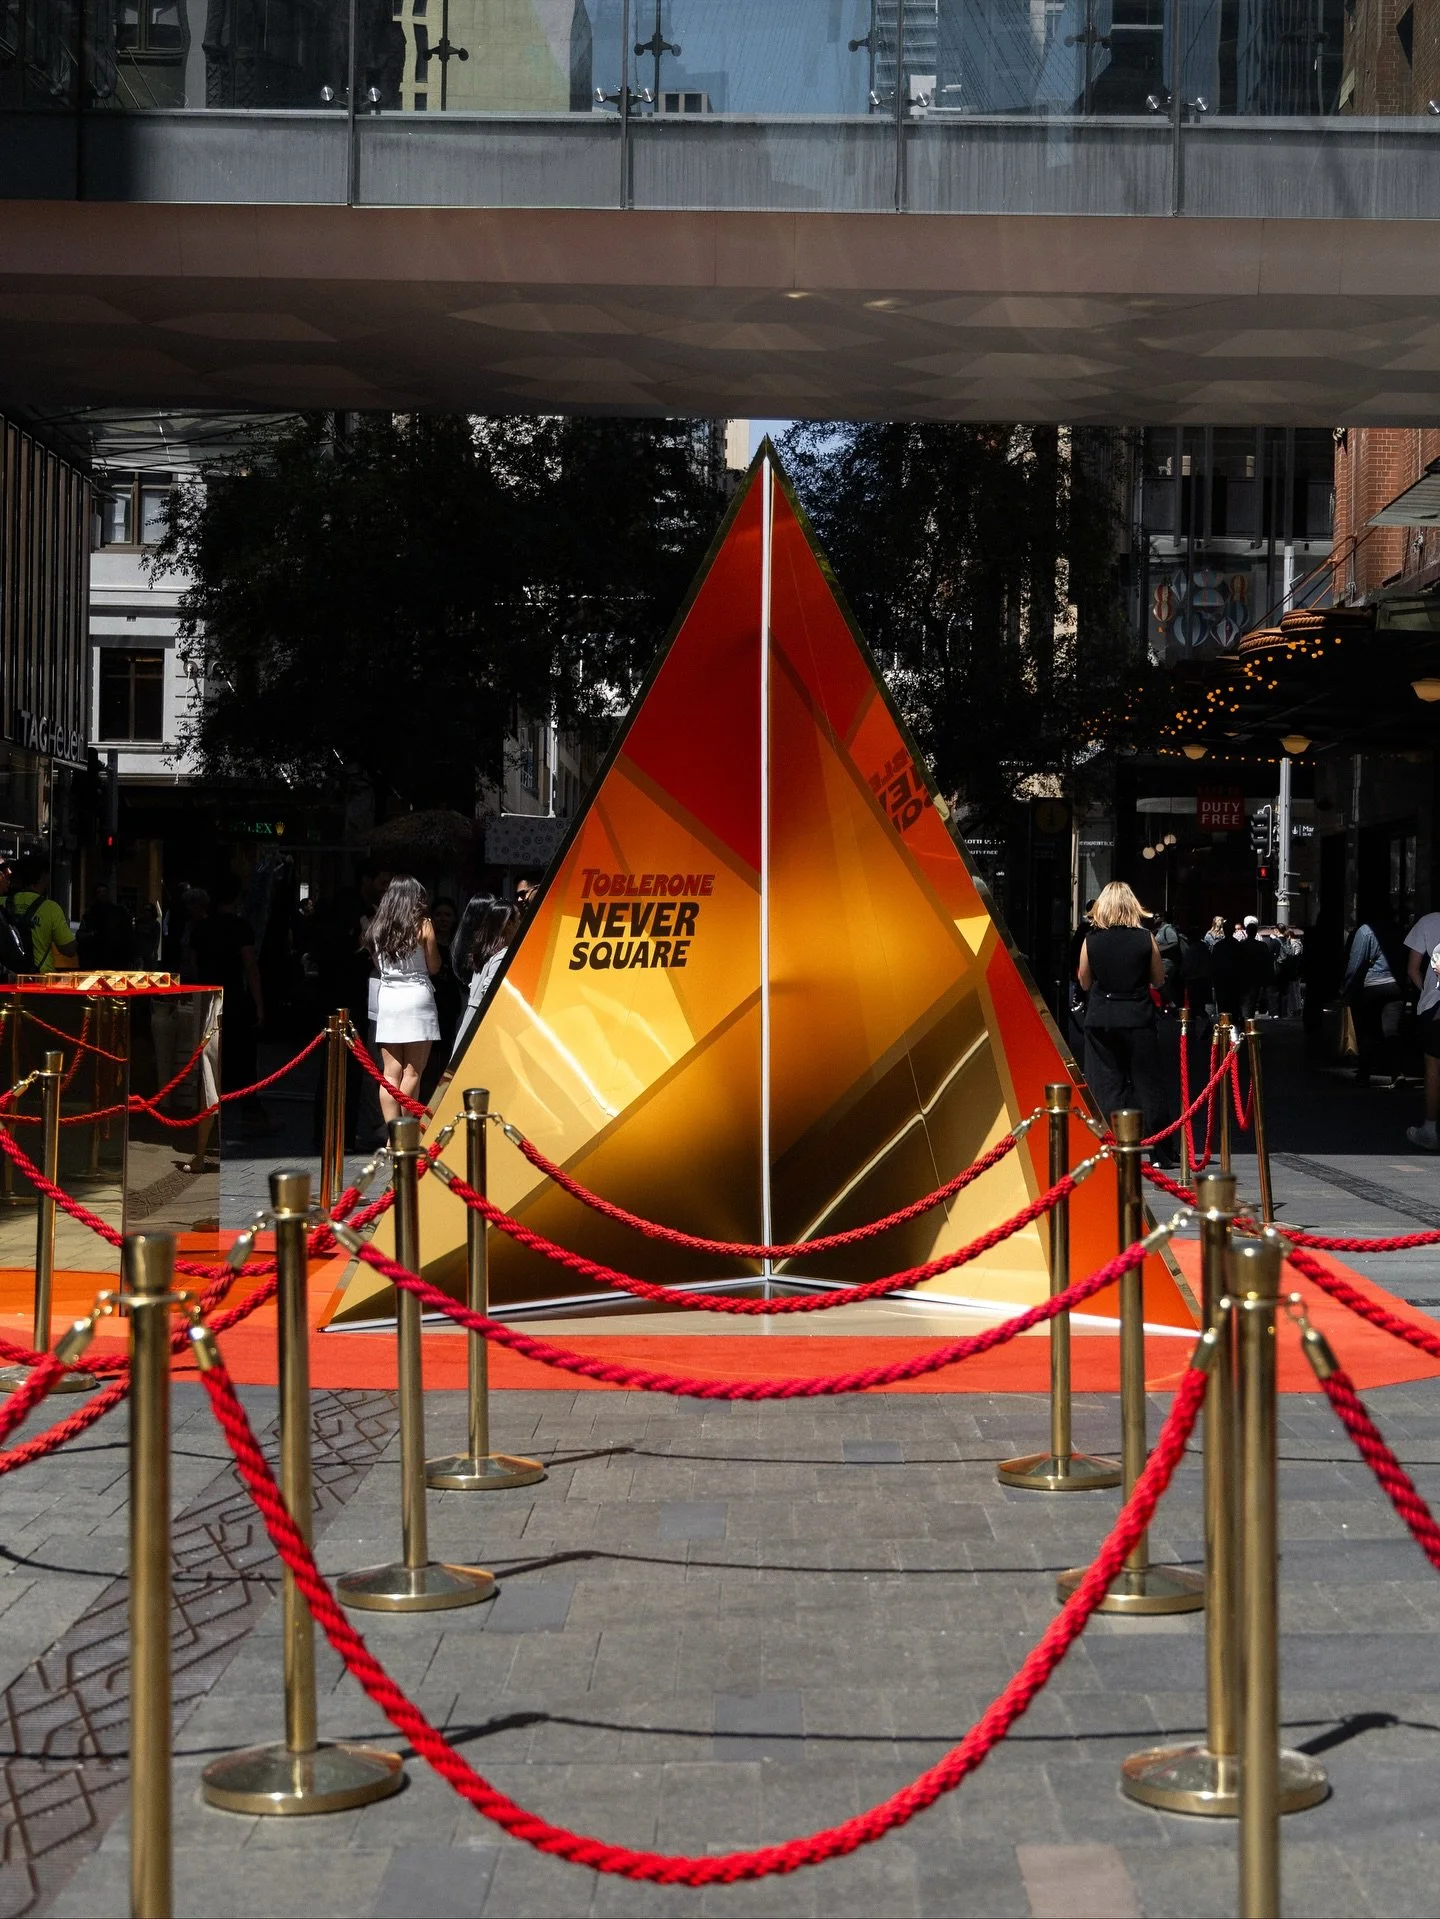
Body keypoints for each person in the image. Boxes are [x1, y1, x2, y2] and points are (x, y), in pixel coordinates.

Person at [1078, 880, 1172, 1159]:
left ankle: (1114, 1145)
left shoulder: (1091, 939)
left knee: (1106, 1085)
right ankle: (1160, 1151)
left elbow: (1084, 981)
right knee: (1148, 1085)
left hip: (1102, 1018)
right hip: (1137, 1016)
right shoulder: (1145, 938)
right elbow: (1158, 979)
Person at [190, 874, 270, 1129]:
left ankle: (210, 1112)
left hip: (207, 996)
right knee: (244, 1058)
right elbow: (250, 967)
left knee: (211, 1057)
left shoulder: (201, 928)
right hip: (234, 997)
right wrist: (259, 1004)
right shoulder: (241, 927)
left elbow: (192, 964)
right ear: (236, 898)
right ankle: (250, 1111)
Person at [368, 875, 441, 1124]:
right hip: (417, 997)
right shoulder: (424, 926)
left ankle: (391, 1134)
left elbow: (378, 965)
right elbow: (434, 966)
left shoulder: (378, 926)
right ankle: (403, 1134)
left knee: (390, 1074)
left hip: (389, 999)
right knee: (412, 1073)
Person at [1342, 907, 1404, 1087]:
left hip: (1372, 985)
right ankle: (1397, 1072)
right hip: (1395, 986)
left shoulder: (1365, 931)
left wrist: (1346, 988)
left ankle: (1364, 1072)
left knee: (1366, 1031)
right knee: (1391, 1031)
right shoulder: (1399, 931)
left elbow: (1356, 963)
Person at [450, 894, 519, 1056]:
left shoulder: (484, 953)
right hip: (484, 1023)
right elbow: (490, 990)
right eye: (518, 920)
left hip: (471, 1018)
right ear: (509, 924)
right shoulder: (502, 955)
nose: (520, 924)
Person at [1405, 904, 1440, 1151]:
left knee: (1433, 1065)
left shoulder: (1428, 922)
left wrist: (1426, 992)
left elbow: (1412, 969)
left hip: (1435, 1006)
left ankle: (1430, 1127)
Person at [9, 853, 76, 973]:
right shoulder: (50, 908)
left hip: (9, 977)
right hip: (41, 977)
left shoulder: (3, 903)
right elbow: (69, 949)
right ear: (43, 877)